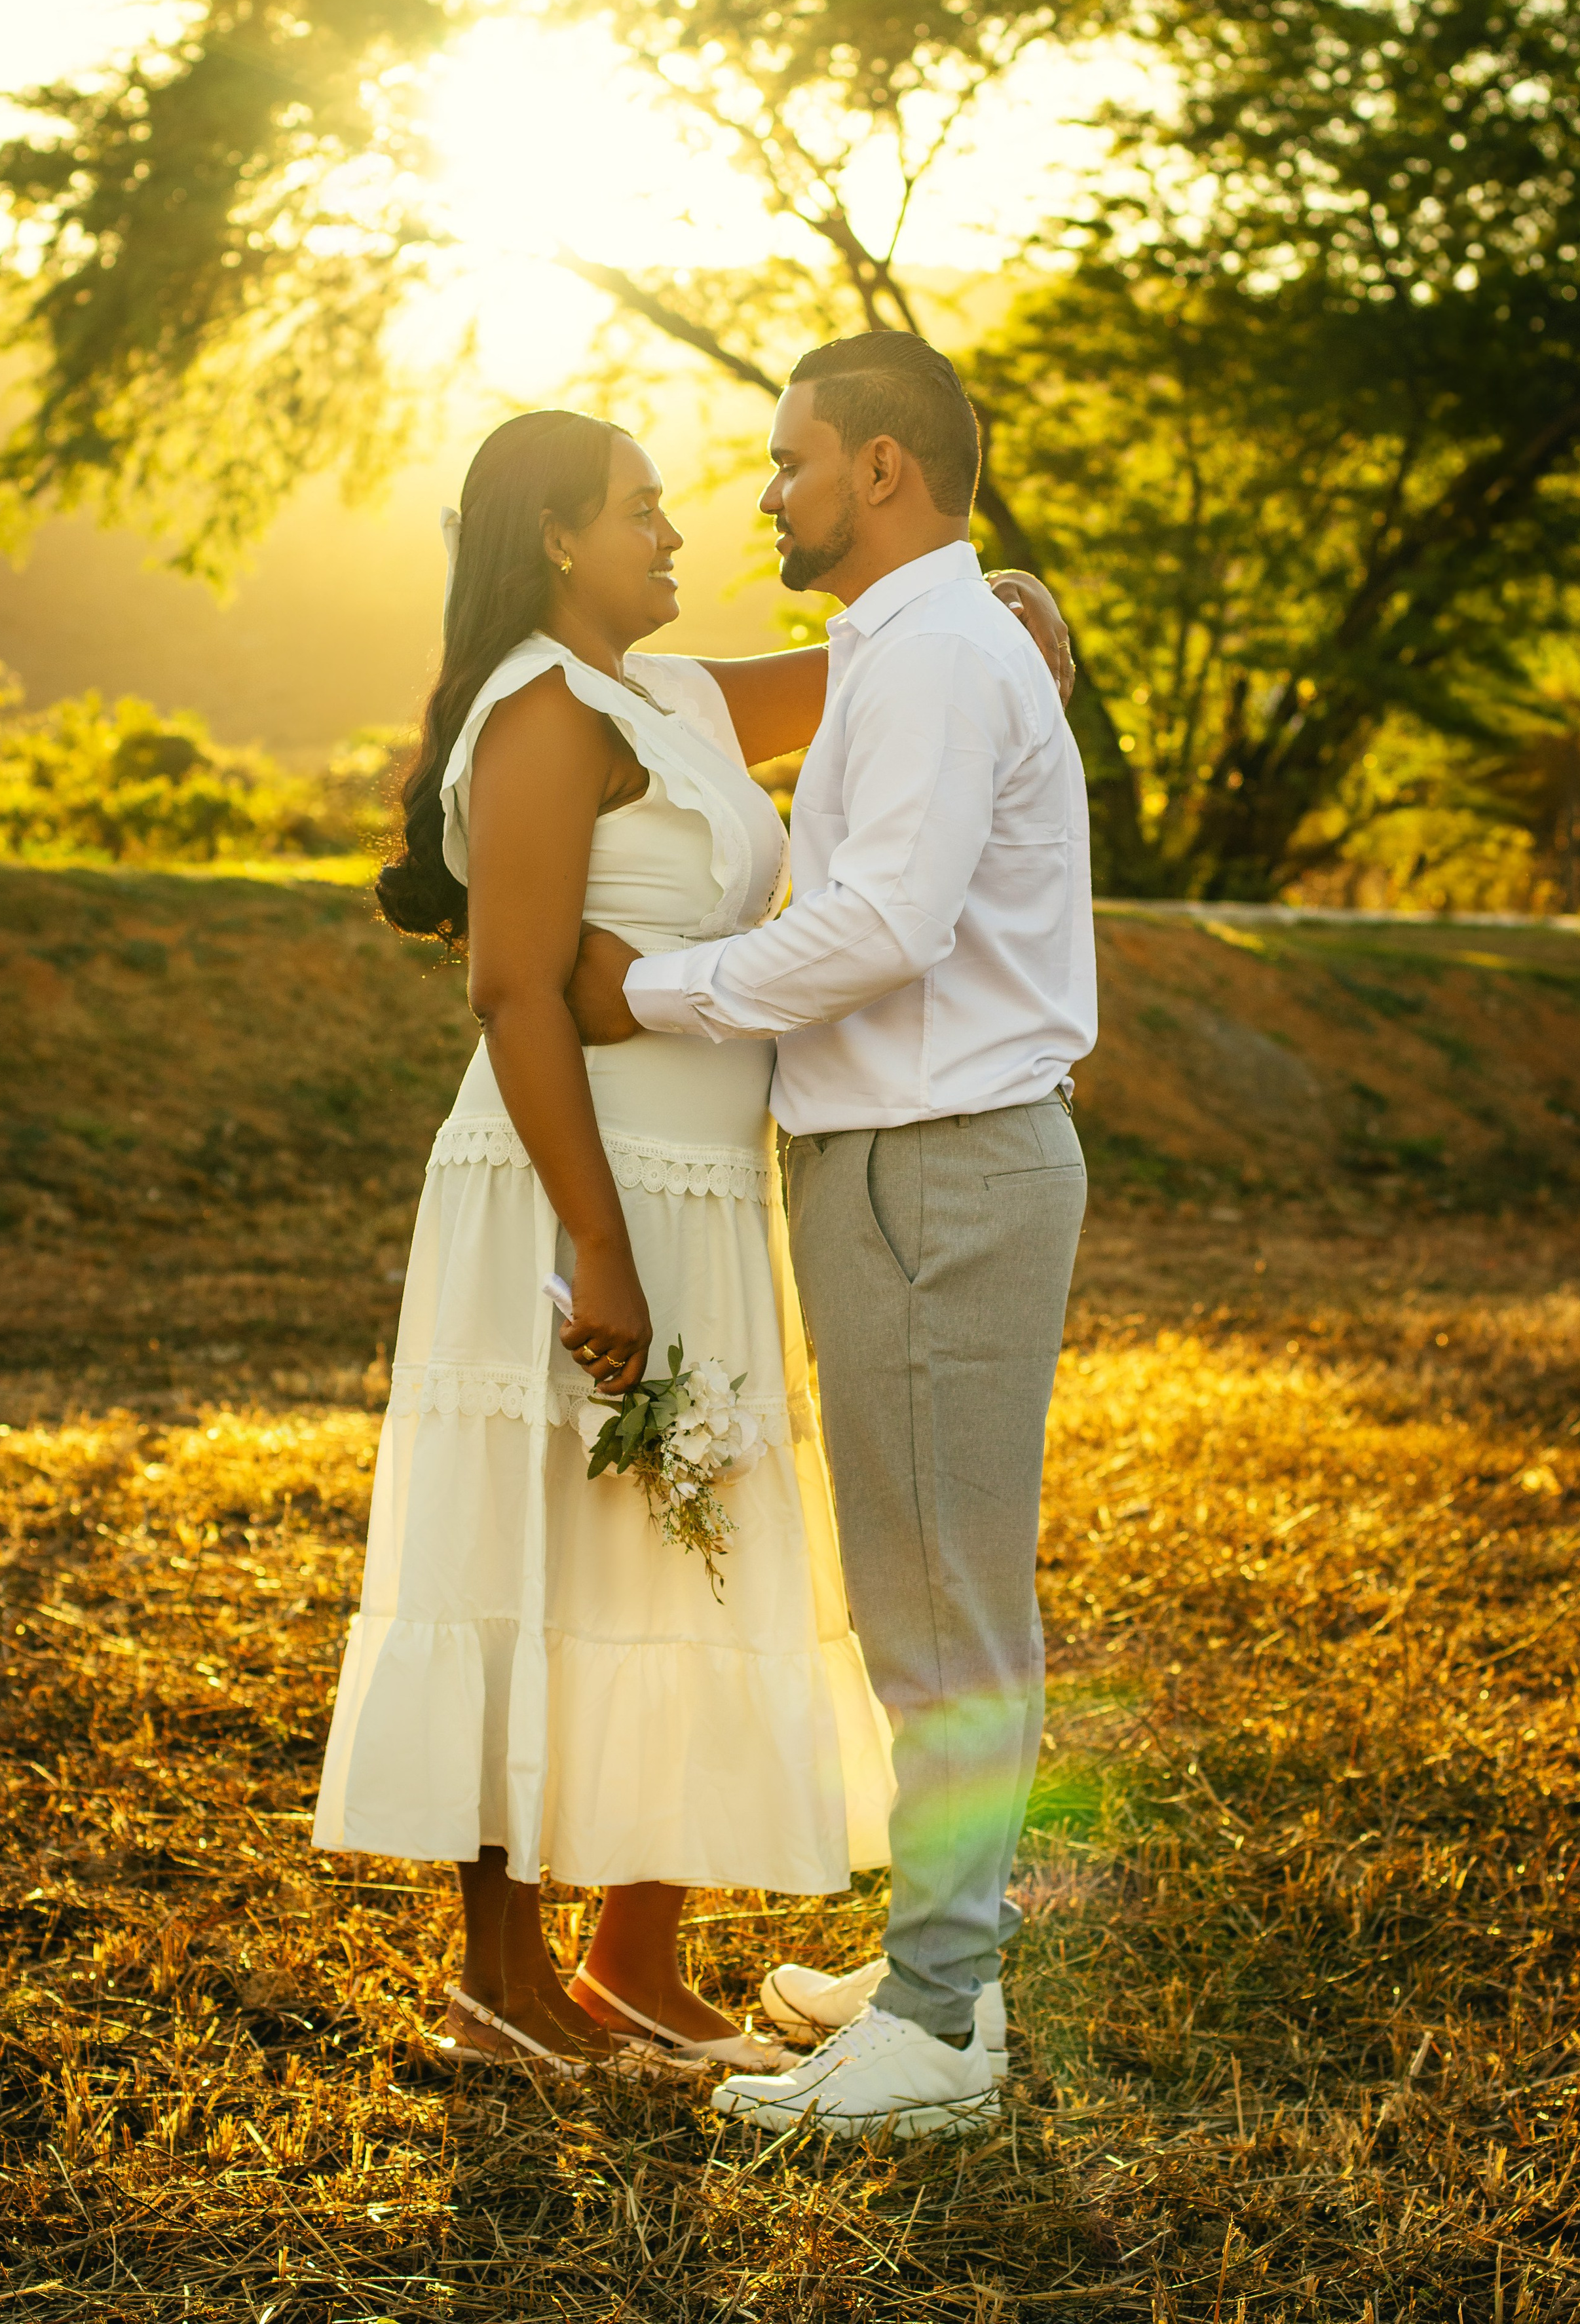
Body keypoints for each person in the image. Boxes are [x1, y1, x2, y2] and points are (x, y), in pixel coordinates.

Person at [310, 403, 1072, 2078]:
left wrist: (1005, 597)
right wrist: (600, 1249)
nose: (676, 533)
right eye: (640, 510)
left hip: (709, 1190)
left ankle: (631, 1967)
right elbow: (514, 989)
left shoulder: (674, 696)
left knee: (689, 1559)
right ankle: (495, 1980)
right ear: (552, 543)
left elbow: (882, 652)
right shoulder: (536, 710)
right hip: (575, 1190)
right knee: (530, 1559)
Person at [562, 330, 1097, 2137]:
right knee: (918, 1590)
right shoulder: (919, 640)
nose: (764, 491)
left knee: (945, 1602)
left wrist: (656, 987)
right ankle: (946, 1964)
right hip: (906, 1161)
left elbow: (884, 922)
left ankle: (941, 2033)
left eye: (788, 460)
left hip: (942, 1162)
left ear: (880, 467)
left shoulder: (942, 650)